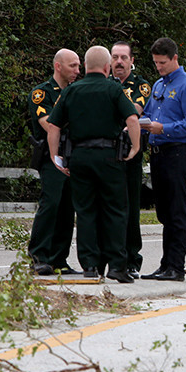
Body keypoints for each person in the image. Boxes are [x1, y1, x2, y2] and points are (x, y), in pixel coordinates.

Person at [46, 46, 141, 283]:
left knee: (86, 211)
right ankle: (117, 266)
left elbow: (54, 126)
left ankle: (90, 265)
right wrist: (136, 147)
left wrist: (54, 155)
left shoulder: (71, 90)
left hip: (79, 157)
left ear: (85, 67)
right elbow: (132, 118)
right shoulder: (114, 88)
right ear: (107, 67)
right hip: (109, 157)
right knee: (116, 210)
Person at [140, 37, 186, 282]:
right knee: (164, 214)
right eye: (156, 63)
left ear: (175, 58)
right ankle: (165, 264)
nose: (159, 67)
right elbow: (149, 113)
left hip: (177, 152)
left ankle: (176, 266)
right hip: (158, 155)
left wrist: (162, 128)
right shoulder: (158, 85)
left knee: (177, 213)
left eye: (163, 63)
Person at [27, 49, 81, 275]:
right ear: (58, 66)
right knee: (51, 203)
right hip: (53, 155)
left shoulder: (76, 91)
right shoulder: (43, 92)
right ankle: (39, 255)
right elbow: (48, 124)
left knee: (68, 208)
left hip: (73, 154)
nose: (77, 71)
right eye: (73, 66)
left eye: (79, 66)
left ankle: (59, 259)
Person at [110, 41, 152, 279]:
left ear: (131, 61)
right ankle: (111, 258)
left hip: (130, 153)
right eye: (115, 57)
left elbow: (134, 110)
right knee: (108, 207)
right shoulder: (104, 83)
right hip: (106, 153)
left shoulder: (141, 85)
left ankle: (132, 259)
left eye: (123, 58)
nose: (119, 62)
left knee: (130, 208)